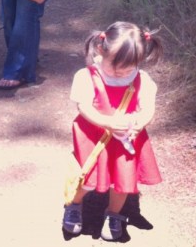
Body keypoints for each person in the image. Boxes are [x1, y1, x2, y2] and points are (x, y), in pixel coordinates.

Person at [62, 21, 163, 241]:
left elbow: (148, 109)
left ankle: (114, 214)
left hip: (126, 138)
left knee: (122, 180)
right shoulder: (87, 76)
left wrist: (140, 123)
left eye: (128, 69)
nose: (121, 74)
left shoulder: (142, 80)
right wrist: (105, 122)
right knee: (87, 176)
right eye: (116, 68)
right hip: (93, 136)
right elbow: (84, 107)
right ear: (100, 50)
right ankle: (74, 204)